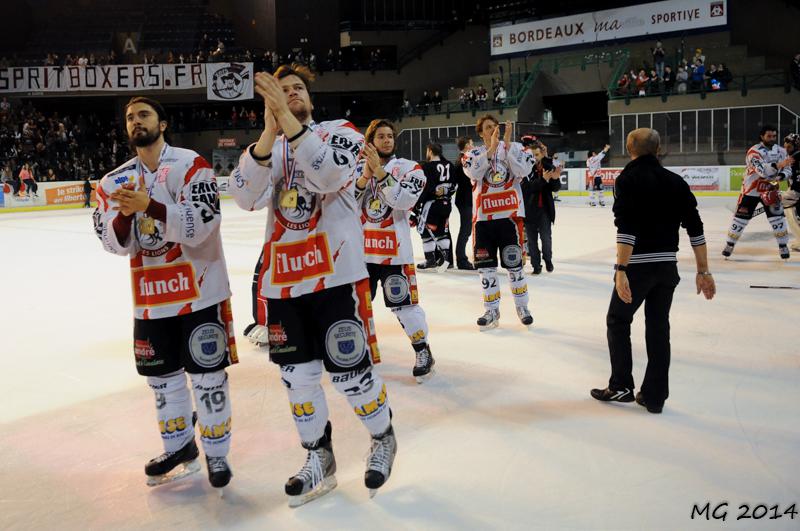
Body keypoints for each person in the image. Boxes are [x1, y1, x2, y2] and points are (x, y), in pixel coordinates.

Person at [229, 64, 397, 506]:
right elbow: (244, 197)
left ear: (310, 99)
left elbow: (330, 177)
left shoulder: (338, 131)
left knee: (350, 374)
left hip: (335, 277)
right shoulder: (268, 147)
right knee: (297, 381)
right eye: (281, 92)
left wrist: (285, 118)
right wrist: (268, 133)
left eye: (297, 89)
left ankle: (382, 437)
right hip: (284, 283)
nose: (290, 95)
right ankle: (319, 457)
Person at [92, 96, 236, 489]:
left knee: (208, 380)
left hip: (200, 292)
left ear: (163, 123)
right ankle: (180, 447)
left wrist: (149, 206)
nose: (136, 122)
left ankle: (218, 455)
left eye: (144, 115)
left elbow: (204, 223)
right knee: (163, 382)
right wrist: (124, 214)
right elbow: (112, 243)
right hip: (152, 298)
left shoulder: (191, 165)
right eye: (129, 118)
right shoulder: (113, 181)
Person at [591, 128, 715, 414]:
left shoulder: (627, 179)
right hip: (666, 269)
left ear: (629, 148)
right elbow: (695, 227)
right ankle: (655, 395)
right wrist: (703, 271)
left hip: (638, 268)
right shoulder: (675, 182)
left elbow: (627, 226)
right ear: (658, 150)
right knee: (659, 328)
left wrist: (621, 268)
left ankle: (621, 384)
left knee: (618, 321)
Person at [355, 119, 435, 382]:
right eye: (381, 136)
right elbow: (346, 205)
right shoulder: (356, 169)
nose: (387, 140)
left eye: (390, 136)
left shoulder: (411, 168)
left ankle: (423, 351)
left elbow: (403, 201)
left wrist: (379, 173)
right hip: (360, 254)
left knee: (406, 308)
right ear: (371, 142)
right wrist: (366, 174)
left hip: (395, 253)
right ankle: (360, 354)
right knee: (355, 307)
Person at [463, 115, 534, 330]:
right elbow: (473, 173)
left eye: (495, 127)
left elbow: (524, 171)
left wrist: (509, 145)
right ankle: (491, 310)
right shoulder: (473, 154)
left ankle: (523, 308)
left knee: (515, 267)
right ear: (481, 133)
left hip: (509, 219)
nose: (493, 130)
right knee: (487, 269)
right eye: (488, 128)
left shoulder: (515, 148)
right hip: (483, 221)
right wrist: (491, 151)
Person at [723, 125, 794, 260]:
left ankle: (783, 246)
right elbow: (762, 171)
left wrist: (780, 177)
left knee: (778, 219)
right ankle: (730, 244)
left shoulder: (781, 151)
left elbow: (788, 170)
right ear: (762, 136)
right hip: (751, 190)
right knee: (740, 220)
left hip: (771, 189)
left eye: (774, 136)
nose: (772, 138)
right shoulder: (754, 151)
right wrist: (779, 165)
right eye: (769, 136)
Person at [520, 136, 560, 274]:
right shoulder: (525, 169)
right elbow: (527, 188)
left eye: (537, 154)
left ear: (542, 154)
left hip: (544, 210)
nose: (535, 157)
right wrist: (543, 180)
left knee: (545, 238)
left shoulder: (549, 166)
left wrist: (555, 180)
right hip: (529, 210)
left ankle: (548, 259)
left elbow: (555, 188)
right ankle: (536, 266)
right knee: (532, 241)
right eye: (533, 155)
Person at [417, 142, 456, 270]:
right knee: (442, 232)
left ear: (430, 151)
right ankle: (446, 260)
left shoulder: (427, 167)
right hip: (446, 204)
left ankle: (430, 260)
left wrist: (416, 206)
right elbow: (454, 185)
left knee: (425, 232)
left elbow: (425, 188)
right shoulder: (449, 165)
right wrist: (446, 193)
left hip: (432, 205)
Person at [453, 136, 475, 269]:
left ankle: (462, 257)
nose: (473, 146)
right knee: (466, 230)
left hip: (466, 199)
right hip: (465, 199)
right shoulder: (462, 160)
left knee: (467, 229)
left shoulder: (463, 159)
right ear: (466, 145)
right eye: (471, 143)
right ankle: (461, 259)